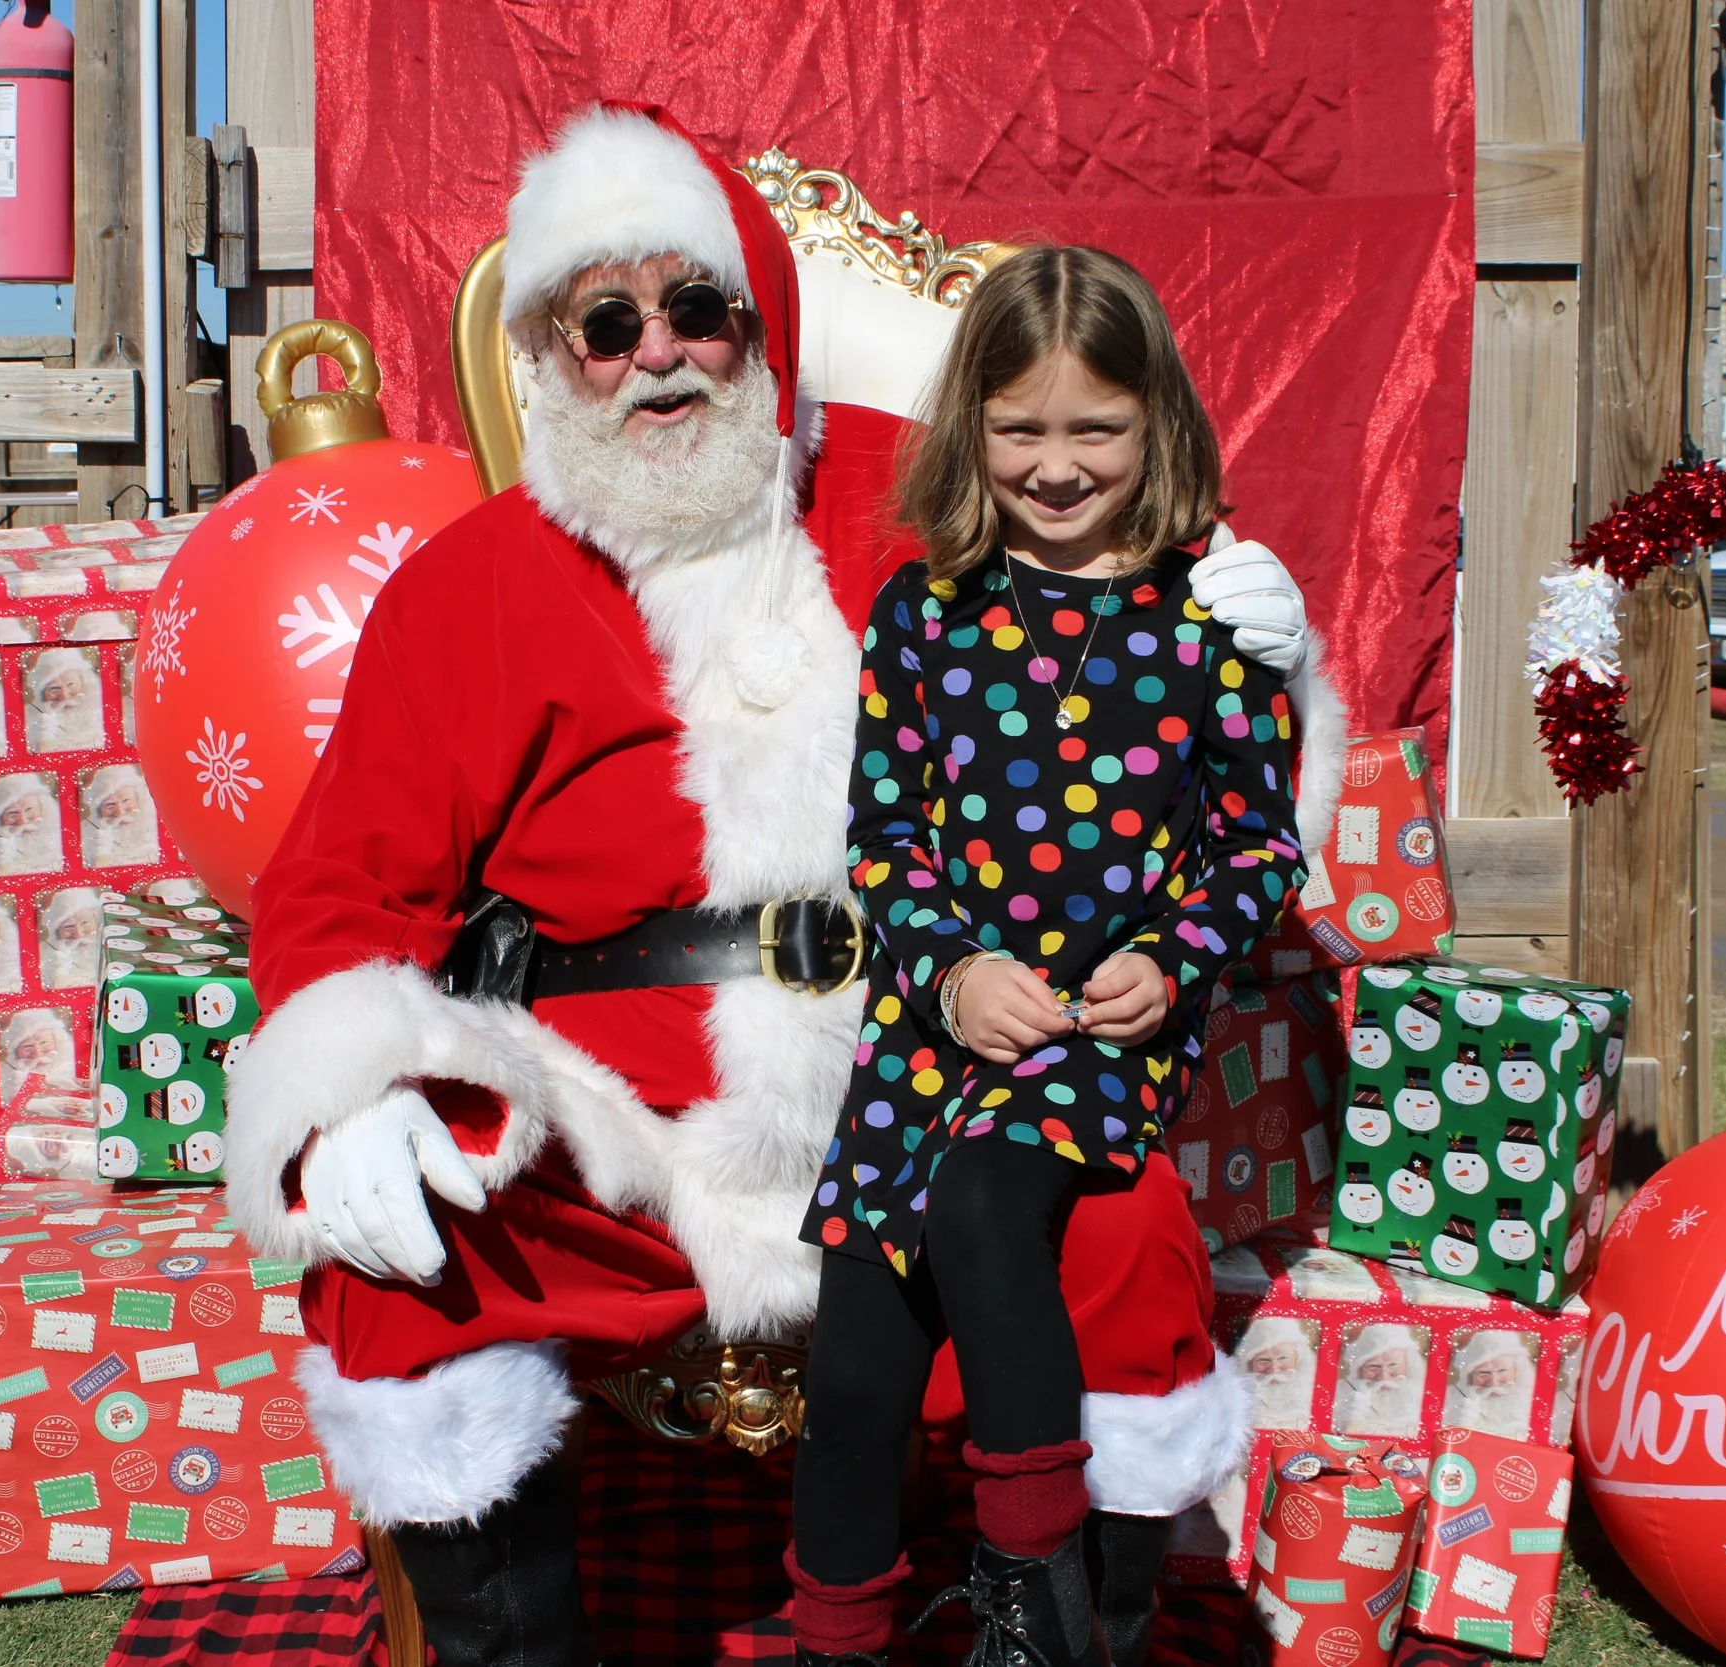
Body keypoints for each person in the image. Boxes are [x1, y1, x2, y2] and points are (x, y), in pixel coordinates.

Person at [224, 104, 1327, 1667]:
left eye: (698, 308)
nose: (659, 354)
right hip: (612, 1104)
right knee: (414, 1251)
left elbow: (1123, 598)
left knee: (1116, 1227)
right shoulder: (469, 585)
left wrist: (1251, 633)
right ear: (549, 352)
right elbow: (342, 877)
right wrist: (348, 1096)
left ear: (764, 322)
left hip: (934, 1051)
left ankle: (1061, 1633)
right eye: (609, 323)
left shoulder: (918, 496)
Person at [785, 245, 1304, 1667]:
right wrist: (952, 972)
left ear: (1158, 422)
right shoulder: (925, 609)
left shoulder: (1211, 620)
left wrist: (1174, 958)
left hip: (1096, 1030)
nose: (1057, 465)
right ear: (972, 424)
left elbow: (1260, 850)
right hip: (931, 1026)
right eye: (1021, 428)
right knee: (855, 1369)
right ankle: (836, 1641)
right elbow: (885, 838)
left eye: (1097, 429)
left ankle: (1031, 1603)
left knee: (981, 1200)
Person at [1334, 1323, 1428, 1437]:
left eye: (1393, 1365)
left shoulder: (1425, 1396)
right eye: (1374, 1367)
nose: (1384, 1377)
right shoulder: (1338, 1394)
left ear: (1408, 1363)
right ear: (1359, 1368)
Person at [1442, 1329, 1537, 1441]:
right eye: (1484, 1373)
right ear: (1470, 1375)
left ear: (1517, 1370)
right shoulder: (1448, 1400)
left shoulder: (1536, 1403)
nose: (1493, 1383)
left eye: (1502, 1371)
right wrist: (1454, 1426)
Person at [1237, 1315, 1319, 1432]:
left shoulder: (1311, 1389)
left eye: (1283, 1358)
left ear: (1297, 1357)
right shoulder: (1239, 1393)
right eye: (1264, 1360)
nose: (1273, 1369)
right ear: (1250, 1362)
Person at [0, 772, 66, 877]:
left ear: (42, 806)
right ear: (0, 816)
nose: (22, 821)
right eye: (13, 813)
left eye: (29, 809)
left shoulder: (61, 834)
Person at [26, 646, 107, 752]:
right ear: (41, 691)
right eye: (54, 688)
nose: (64, 696)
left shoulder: (101, 711)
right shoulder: (31, 721)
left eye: (70, 684)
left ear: (83, 681)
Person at [81, 763, 160, 868]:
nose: (119, 813)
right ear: (98, 809)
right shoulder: (86, 836)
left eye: (126, 800)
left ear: (138, 798)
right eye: (110, 805)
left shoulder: (158, 825)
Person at [38, 887, 104, 989]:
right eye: (68, 927)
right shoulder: (45, 956)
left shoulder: (105, 944)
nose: (78, 934)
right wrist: (60, 964)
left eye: (85, 923)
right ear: (56, 930)